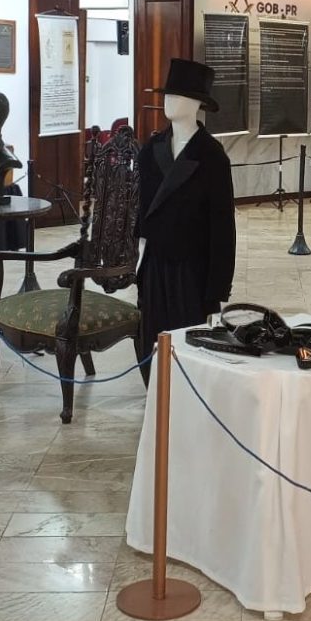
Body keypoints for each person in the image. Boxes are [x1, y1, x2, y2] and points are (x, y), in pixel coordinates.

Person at [136, 59, 236, 386]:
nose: (169, 101)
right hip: (155, 265)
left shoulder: (212, 156)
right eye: (167, 94)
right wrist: (137, 259)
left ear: (196, 104)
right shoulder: (151, 150)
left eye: (177, 96)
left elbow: (223, 228)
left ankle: (184, 398)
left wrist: (217, 288)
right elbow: (141, 210)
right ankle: (157, 397)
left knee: (187, 343)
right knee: (151, 339)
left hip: (192, 270)